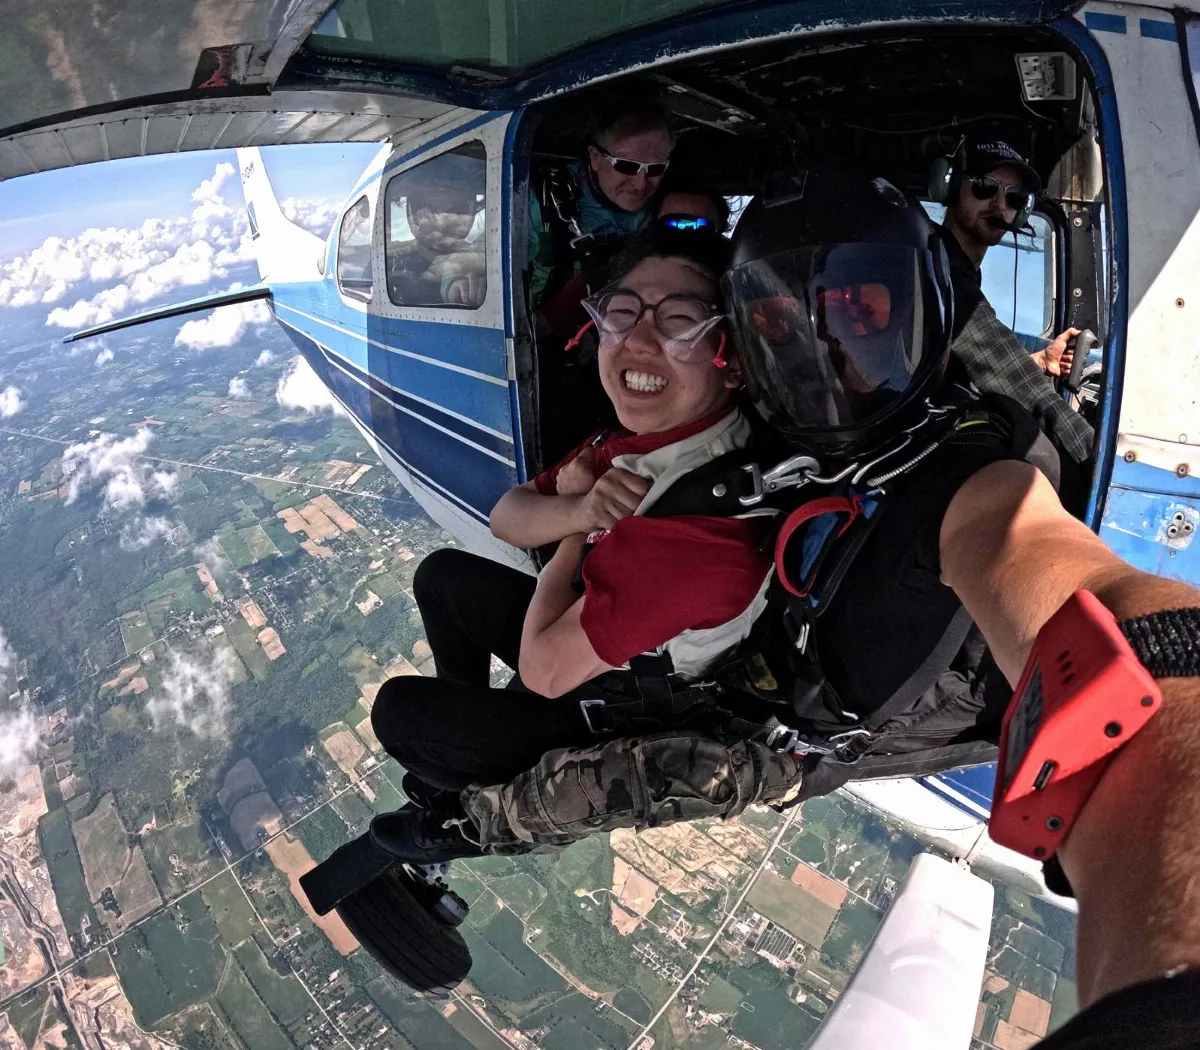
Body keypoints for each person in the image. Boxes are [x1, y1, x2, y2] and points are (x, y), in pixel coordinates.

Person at [938, 136, 1095, 484]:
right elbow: (1022, 387)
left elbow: (973, 357)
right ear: (948, 187)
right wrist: (1098, 465)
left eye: (1013, 197)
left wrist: (1039, 362)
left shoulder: (956, 267)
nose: (998, 204)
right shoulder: (942, 271)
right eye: (984, 186)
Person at [529, 104, 673, 306]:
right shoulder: (539, 204)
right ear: (595, 158)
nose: (641, 184)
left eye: (655, 169)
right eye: (626, 166)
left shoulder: (669, 205)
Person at [387, 167, 486, 307]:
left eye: (457, 208)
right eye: (432, 209)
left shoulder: (487, 258)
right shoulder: (388, 265)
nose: (444, 218)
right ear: (413, 214)